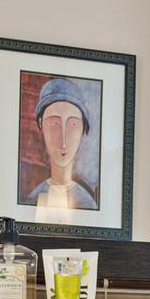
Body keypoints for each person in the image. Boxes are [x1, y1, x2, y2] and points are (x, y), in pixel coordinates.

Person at [21, 76, 99, 210]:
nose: (63, 141)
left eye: (73, 124)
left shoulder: (88, 203)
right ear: (41, 125)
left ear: (83, 129)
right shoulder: (33, 198)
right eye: (54, 124)